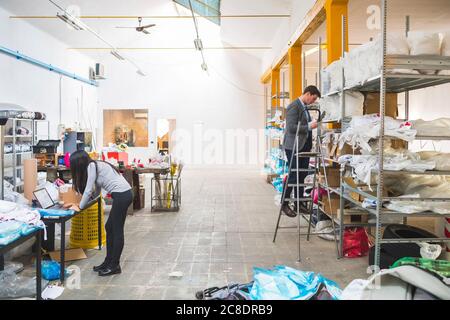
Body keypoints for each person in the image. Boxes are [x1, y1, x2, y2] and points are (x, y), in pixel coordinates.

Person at [66, 151, 133, 276]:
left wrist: (80, 207)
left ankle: (114, 265)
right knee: (109, 227)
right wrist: (89, 202)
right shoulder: (95, 166)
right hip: (123, 195)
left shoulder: (91, 166)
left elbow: (88, 189)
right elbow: (96, 190)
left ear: (78, 163)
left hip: (122, 196)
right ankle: (108, 262)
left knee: (117, 230)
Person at [282, 85, 321, 218]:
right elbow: (291, 127)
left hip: (303, 147)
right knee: (293, 175)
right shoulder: (294, 106)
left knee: (301, 176)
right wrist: (310, 126)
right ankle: (284, 203)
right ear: (308, 94)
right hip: (294, 147)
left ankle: (299, 204)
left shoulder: (304, 108)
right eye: (313, 98)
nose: (313, 101)